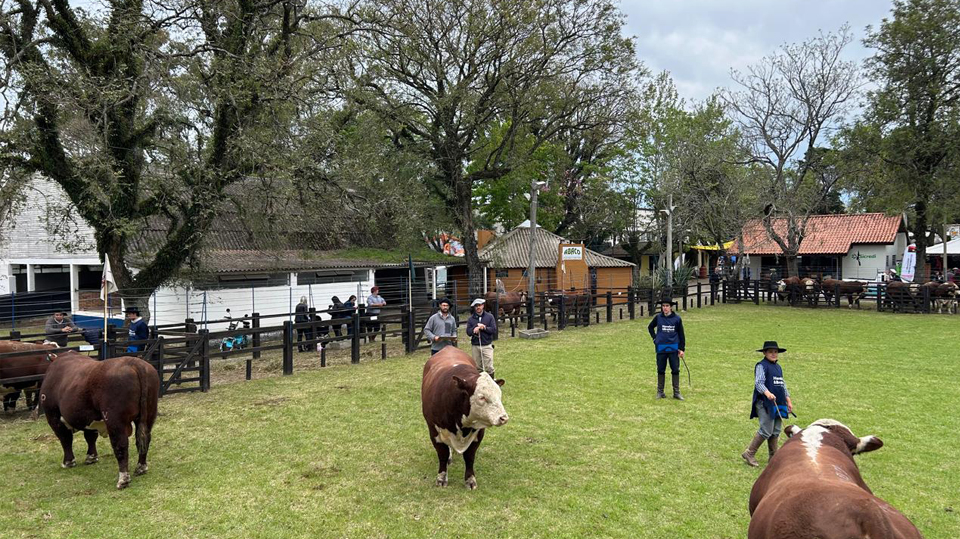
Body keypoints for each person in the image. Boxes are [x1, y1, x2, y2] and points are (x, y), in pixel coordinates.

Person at [742, 341, 794, 467]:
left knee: (776, 431)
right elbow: (759, 383)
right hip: (765, 403)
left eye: (775, 352)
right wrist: (767, 393)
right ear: (764, 353)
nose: (773, 354)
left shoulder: (778, 367)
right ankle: (749, 453)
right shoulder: (761, 366)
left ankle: (773, 457)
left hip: (779, 402)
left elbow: (782, 384)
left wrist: (788, 399)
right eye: (770, 352)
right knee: (766, 430)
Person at [647, 292, 686, 400]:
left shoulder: (677, 319)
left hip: (673, 348)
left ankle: (676, 392)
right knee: (661, 369)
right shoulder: (658, 317)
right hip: (661, 348)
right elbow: (650, 327)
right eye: (663, 306)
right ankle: (660, 392)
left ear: (671, 307)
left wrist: (681, 349)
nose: (665, 308)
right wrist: (655, 338)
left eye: (667, 306)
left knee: (675, 369)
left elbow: (681, 335)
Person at [465, 298, 497, 377]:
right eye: (476, 306)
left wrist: (484, 328)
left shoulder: (490, 317)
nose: (478, 307)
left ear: (483, 306)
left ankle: (491, 381)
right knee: (477, 367)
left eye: (479, 305)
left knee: (489, 366)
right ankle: (479, 381)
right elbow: (468, 332)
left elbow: (493, 329)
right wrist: (475, 327)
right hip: (475, 345)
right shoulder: (471, 319)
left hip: (487, 345)